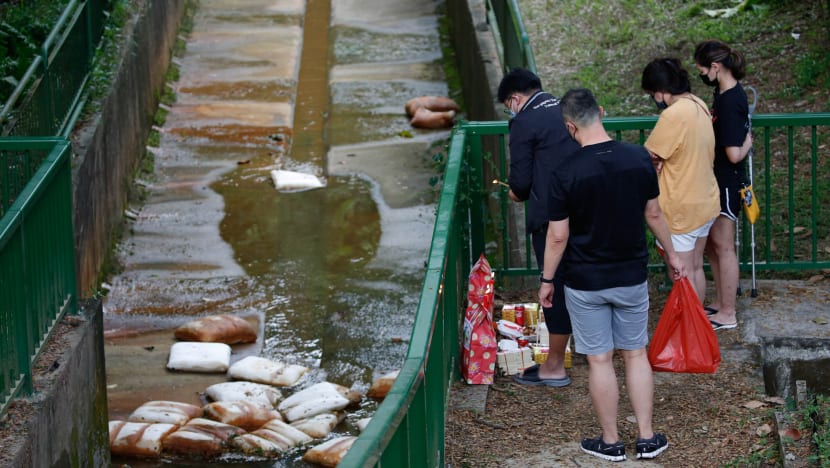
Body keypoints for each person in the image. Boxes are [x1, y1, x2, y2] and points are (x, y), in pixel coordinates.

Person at [538, 88, 685, 462]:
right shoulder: (638, 158)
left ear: (570, 127)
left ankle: (611, 442)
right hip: (631, 275)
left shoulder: (565, 171)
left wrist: (547, 280)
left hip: (585, 281)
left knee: (599, 360)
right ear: (601, 112)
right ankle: (648, 438)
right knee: (636, 354)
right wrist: (672, 253)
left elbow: (558, 235)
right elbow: (653, 214)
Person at [496, 68, 580, 387]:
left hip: (550, 216)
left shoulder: (524, 122)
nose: (510, 110)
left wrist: (514, 192)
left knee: (553, 287)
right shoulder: (569, 109)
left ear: (515, 99)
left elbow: (520, 183)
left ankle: (554, 367)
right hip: (587, 210)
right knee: (585, 281)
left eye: (508, 105)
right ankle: (595, 349)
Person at [641, 58, 720, 303]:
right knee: (695, 268)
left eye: (653, 93)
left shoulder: (673, 115)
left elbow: (648, 156)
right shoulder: (698, 104)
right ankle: (697, 328)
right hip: (705, 201)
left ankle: (689, 330)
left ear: (660, 91)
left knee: (681, 275)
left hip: (681, 209)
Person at [694, 40, 752, 331]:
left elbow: (733, 153)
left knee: (724, 246)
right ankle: (720, 303)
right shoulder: (724, 93)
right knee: (714, 247)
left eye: (703, 69)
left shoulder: (730, 101)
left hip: (727, 181)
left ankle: (728, 312)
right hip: (716, 180)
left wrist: (747, 144)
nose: (702, 74)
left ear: (715, 67)